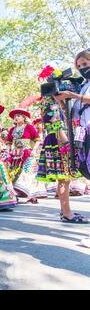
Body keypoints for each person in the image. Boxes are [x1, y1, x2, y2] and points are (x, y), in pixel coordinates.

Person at [37, 56, 89, 224]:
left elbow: (68, 116)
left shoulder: (56, 100)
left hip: (64, 138)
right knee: (64, 177)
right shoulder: (49, 101)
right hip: (60, 140)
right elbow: (54, 123)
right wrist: (66, 141)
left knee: (65, 177)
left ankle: (66, 212)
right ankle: (67, 213)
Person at [6, 97, 47, 204]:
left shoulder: (29, 127)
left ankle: (32, 195)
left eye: (18, 115)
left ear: (24, 117)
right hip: (15, 155)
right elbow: (8, 142)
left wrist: (34, 150)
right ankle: (15, 193)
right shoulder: (12, 129)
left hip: (27, 153)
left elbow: (38, 140)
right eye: (15, 116)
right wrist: (8, 149)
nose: (16, 117)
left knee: (28, 173)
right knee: (15, 174)